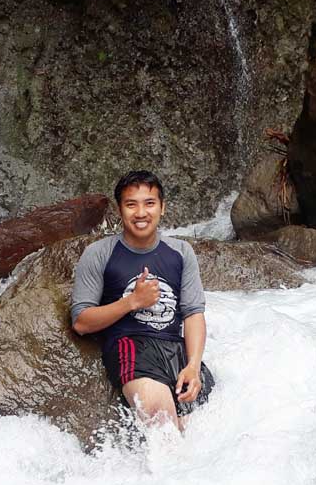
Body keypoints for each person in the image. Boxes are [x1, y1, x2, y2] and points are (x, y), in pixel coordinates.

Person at [70, 170, 214, 428]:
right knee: (163, 426)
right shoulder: (99, 253)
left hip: (177, 350)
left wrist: (192, 366)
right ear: (119, 210)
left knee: (201, 436)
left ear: (162, 207)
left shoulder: (181, 252)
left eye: (149, 203)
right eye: (131, 204)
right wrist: (133, 301)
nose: (140, 213)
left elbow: (193, 313)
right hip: (132, 347)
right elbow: (81, 322)